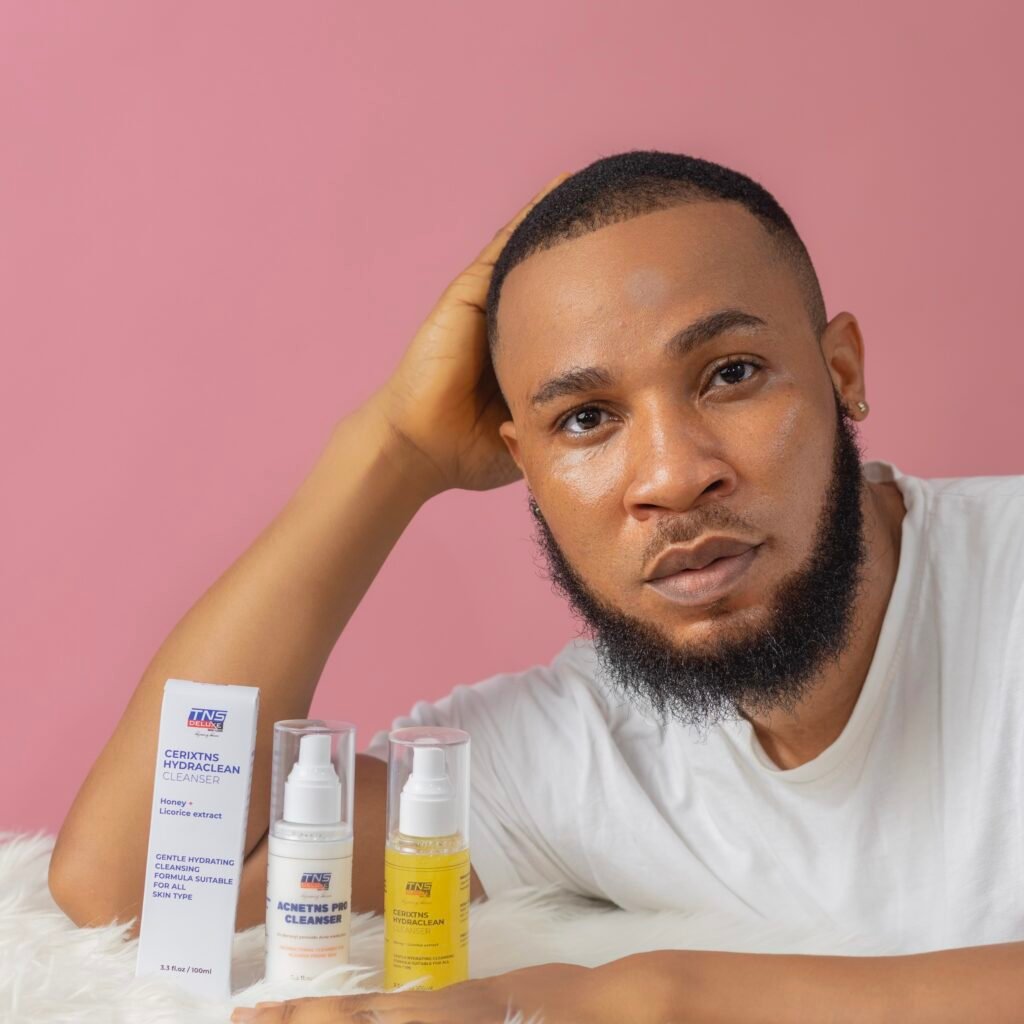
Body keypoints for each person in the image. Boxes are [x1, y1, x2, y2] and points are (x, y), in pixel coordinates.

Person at [48, 151, 1024, 1022]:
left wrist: (646, 998)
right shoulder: (581, 751)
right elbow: (134, 877)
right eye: (587, 419)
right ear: (524, 468)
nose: (672, 476)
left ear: (841, 370)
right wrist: (391, 450)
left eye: (730, 373)